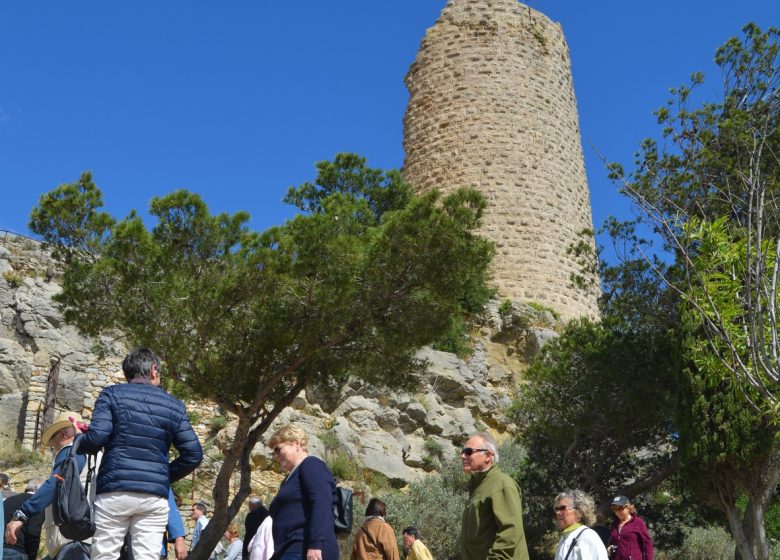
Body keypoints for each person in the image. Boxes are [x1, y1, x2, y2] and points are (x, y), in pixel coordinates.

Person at [75, 347, 203, 560]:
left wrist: (80, 442)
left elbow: (97, 437)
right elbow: (194, 454)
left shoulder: (111, 394)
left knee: (104, 555)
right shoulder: (174, 405)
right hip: (154, 496)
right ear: (154, 370)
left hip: (115, 490)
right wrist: (163, 475)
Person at [4, 410, 90, 560]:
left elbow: (57, 481)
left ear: (63, 434)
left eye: (53, 438)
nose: (53, 446)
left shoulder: (69, 451)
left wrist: (22, 514)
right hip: (89, 538)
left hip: (71, 540)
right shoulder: (95, 455)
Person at [267, 424, 339, 560]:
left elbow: (321, 503)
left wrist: (315, 545)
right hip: (290, 549)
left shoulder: (311, 464)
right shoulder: (289, 479)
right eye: (273, 453)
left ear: (296, 443)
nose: (276, 456)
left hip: (304, 549)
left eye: (278, 449)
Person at [460, 431, 529, 560]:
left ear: (488, 456)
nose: (463, 456)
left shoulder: (501, 484)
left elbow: (510, 531)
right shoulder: (478, 488)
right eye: (462, 451)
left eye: (469, 451)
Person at [553, 490, 608, 560]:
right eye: (556, 509)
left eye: (562, 508)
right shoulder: (564, 537)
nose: (558, 512)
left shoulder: (588, 536)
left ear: (579, 511)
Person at [3, 479, 45, 560]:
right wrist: (32, 556)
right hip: (16, 550)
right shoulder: (36, 503)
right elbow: (33, 532)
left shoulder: (8, 500)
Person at [607, 496, 653, 560]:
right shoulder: (614, 524)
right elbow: (612, 542)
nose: (617, 512)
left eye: (620, 508)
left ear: (628, 508)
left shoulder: (638, 522)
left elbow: (647, 544)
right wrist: (609, 548)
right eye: (614, 509)